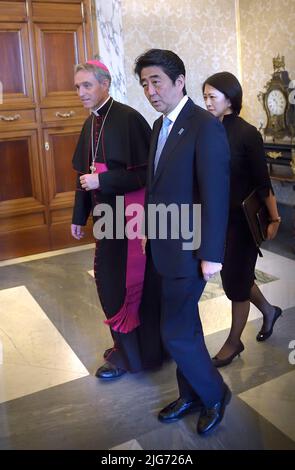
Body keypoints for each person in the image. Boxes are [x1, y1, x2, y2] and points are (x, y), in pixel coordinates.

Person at [134, 49, 231, 435]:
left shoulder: (205, 126)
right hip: (165, 246)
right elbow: (158, 189)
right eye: (144, 83)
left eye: (156, 80)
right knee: (184, 326)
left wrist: (211, 254)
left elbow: (216, 194)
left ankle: (214, 394)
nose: (150, 90)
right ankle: (190, 394)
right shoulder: (160, 126)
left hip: (191, 251)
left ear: (179, 80)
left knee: (173, 330)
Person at [71, 59, 165, 380]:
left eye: (87, 85)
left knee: (126, 289)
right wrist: (77, 215)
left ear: (105, 84)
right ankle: (127, 352)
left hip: (129, 220)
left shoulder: (128, 119)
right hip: (104, 220)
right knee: (109, 287)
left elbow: (144, 173)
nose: (80, 92)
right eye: (77, 86)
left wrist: (104, 181)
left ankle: (138, 355)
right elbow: (83, 176)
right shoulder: (89, 124)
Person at [202, 72, 282, 368]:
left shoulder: (248, 133)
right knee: (238, 277)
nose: (208, 102)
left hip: (243, 222)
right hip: (217, 220)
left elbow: (263, 182)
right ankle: (270, 312)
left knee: (235, 279)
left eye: (213, 96)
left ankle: (234, 342)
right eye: (205, 96)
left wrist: (274, 218)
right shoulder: (208, 130)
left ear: (230, 98)